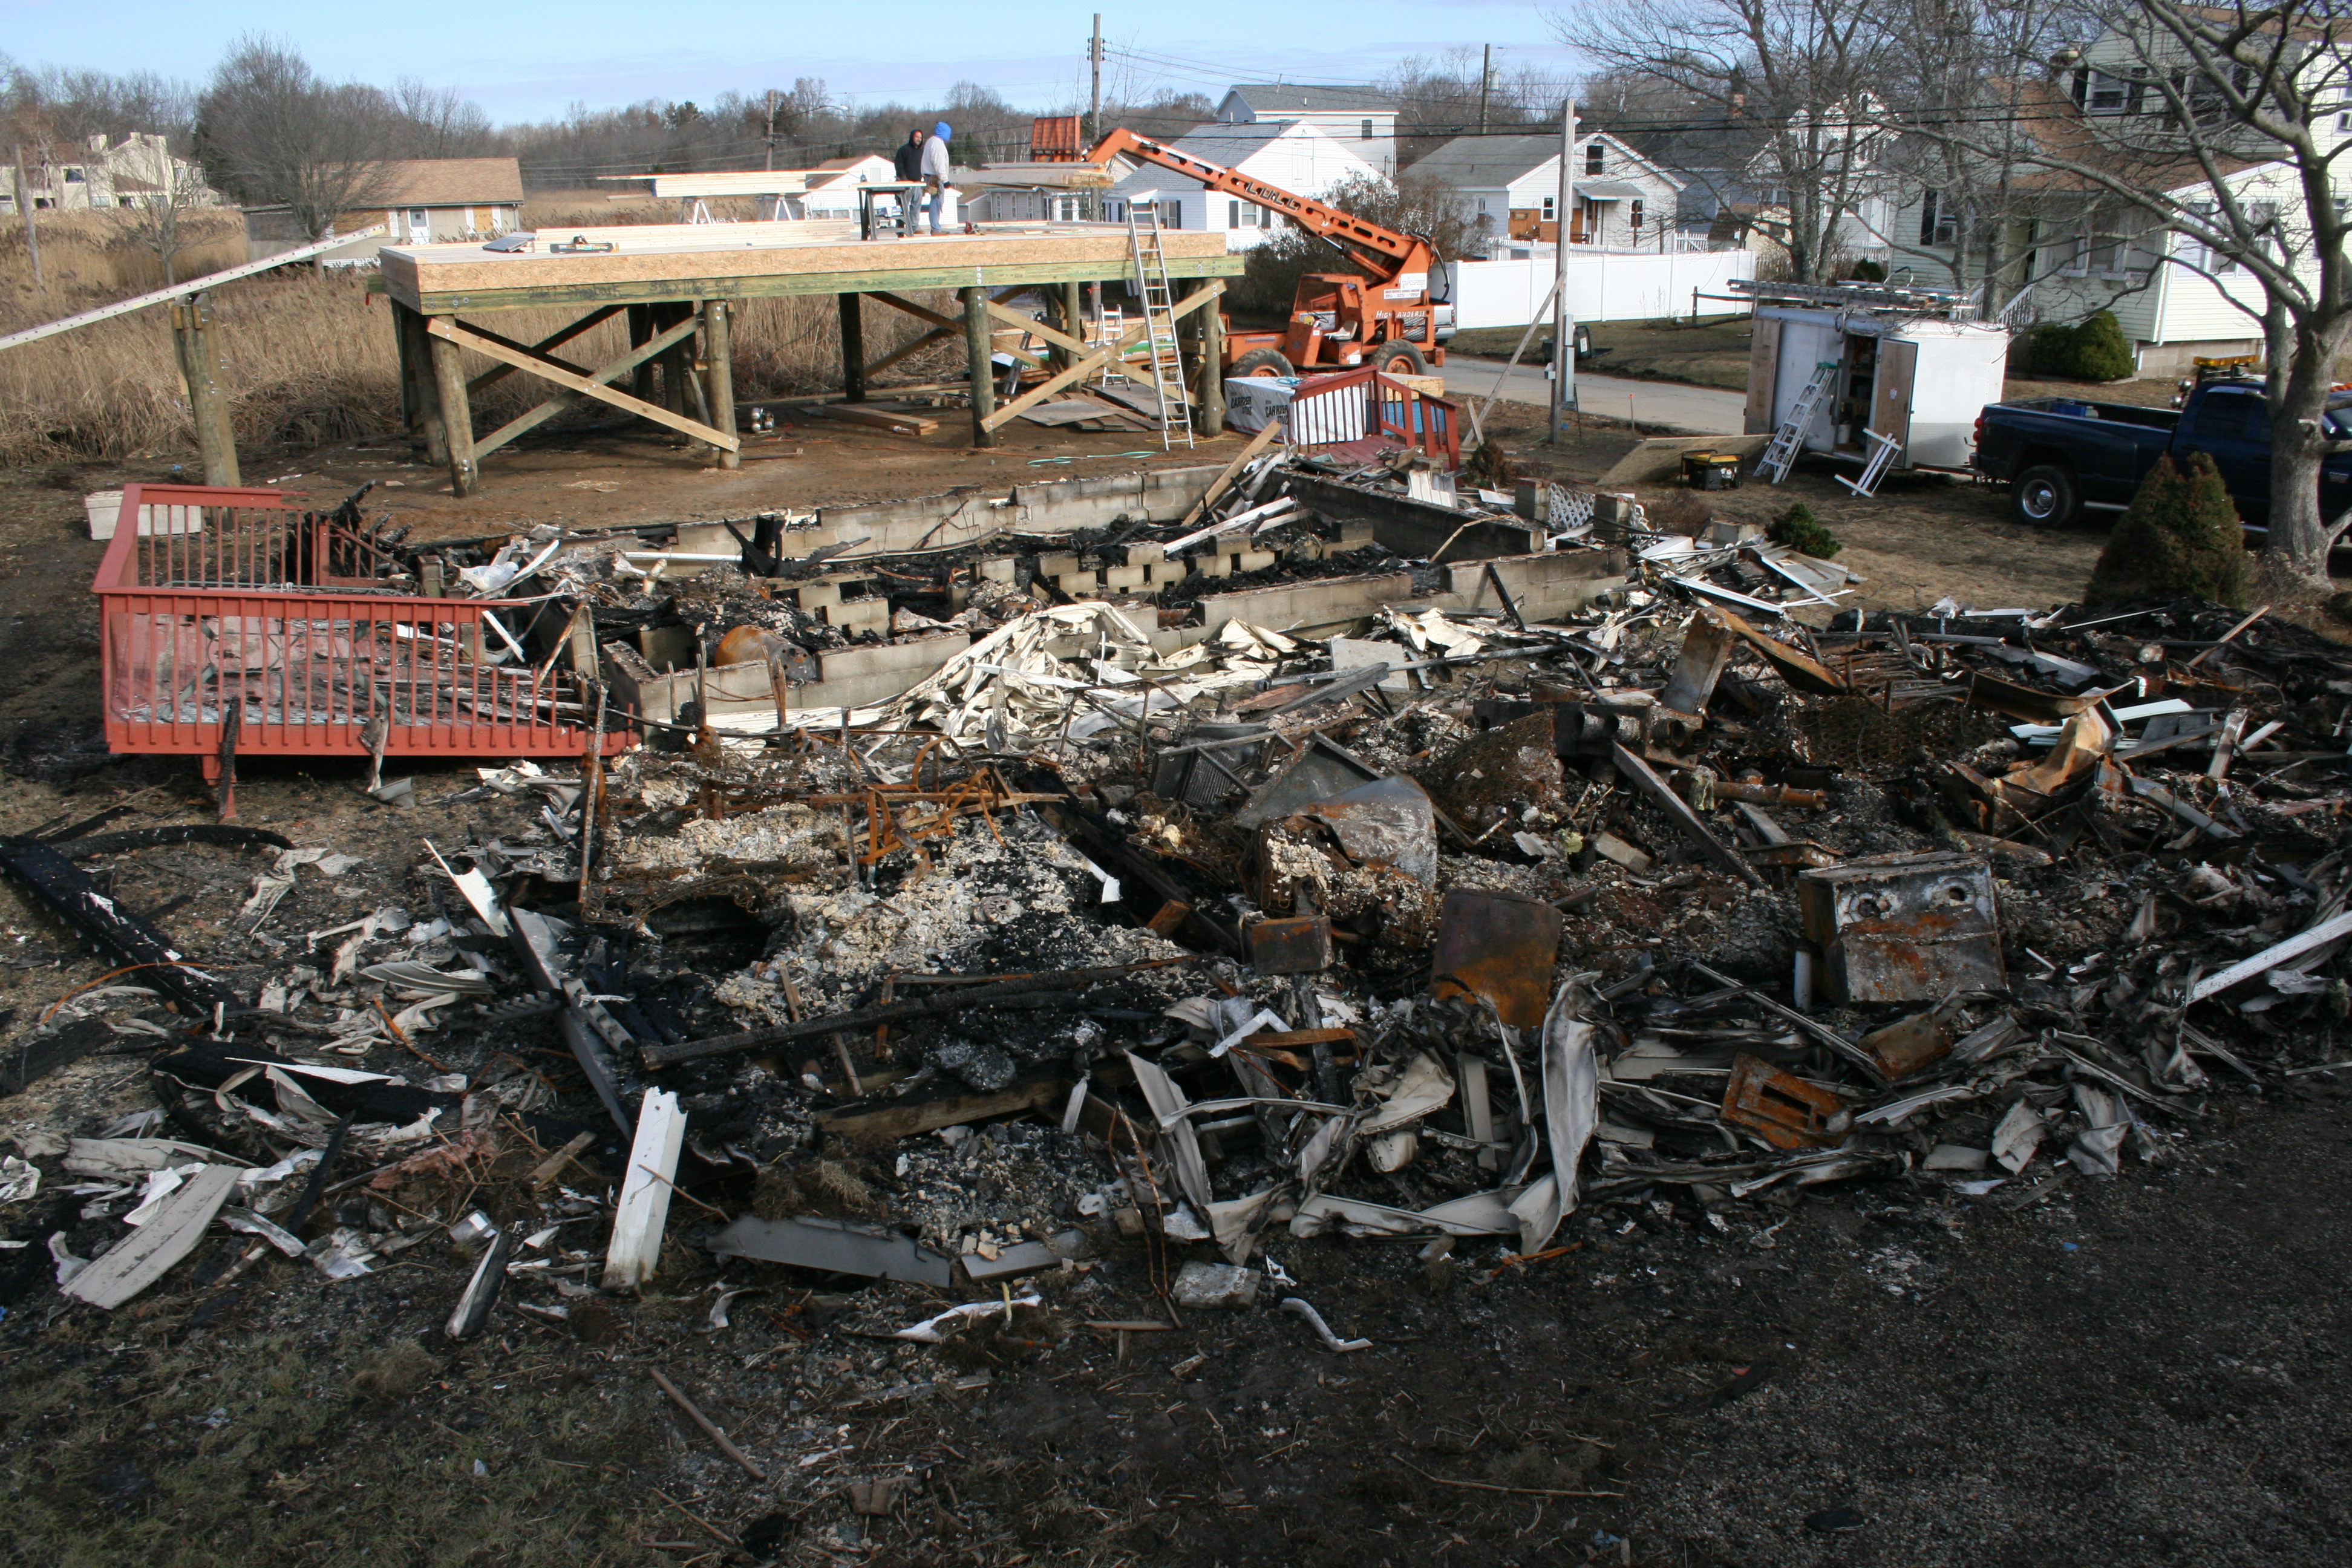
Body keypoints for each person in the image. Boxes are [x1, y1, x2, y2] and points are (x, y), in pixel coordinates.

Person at [890, 126, 926, 235]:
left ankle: (914, 227)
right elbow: (899, 166)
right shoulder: (903, 150)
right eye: (917, 137)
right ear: (912, 137)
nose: (919, 139)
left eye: (921, 137)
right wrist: (904, 181)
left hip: (918, 184)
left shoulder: (922, 152)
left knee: (916, 207)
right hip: (905, 184)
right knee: (902, 207)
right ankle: (900, 228)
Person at [920, 120, 953, 235]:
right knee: (937, 201)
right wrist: (945, 180)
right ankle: (936, 228)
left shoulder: (931, 141)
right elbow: (939, 163)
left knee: (936, 201)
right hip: (935, 177)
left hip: (930, 175)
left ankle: (936, 227)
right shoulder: (937, 144)